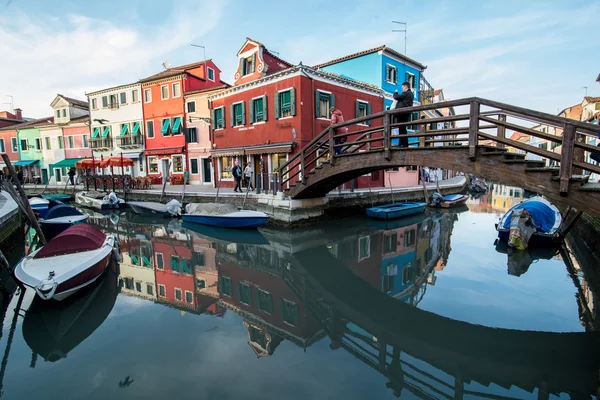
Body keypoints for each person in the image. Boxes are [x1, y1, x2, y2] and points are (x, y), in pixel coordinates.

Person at [393, 82, 414, 148]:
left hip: (402, 113)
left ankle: (404, 145)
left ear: (406, 87)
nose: (402, 89)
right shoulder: (411, 94)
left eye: (402, 87)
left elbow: (396, 97)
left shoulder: (406, 93)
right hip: (406, 113)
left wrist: (395, 92)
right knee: (402, 129)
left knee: (402, 129)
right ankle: (402, 144)